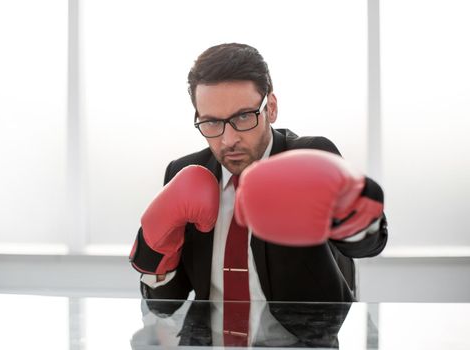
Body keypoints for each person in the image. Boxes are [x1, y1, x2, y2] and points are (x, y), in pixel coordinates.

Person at [129, 43, 387, 306]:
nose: (229, 140)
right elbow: (164, 305)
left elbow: (370, 246)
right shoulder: (184, 172)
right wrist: (159, 250)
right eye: (212, 122)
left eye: (243, 117)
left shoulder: (309, 154)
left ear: (270, 108)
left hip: (303, 343)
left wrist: (349, 208)